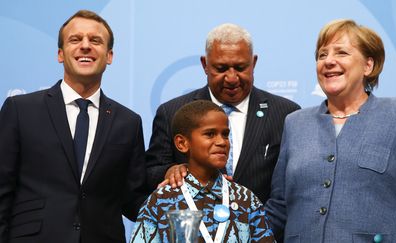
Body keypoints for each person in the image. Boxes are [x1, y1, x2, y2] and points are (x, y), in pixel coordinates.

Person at [265, 19, 396, 242]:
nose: (328, 61)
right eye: (322, 55)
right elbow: (279, 206)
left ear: (368, 66)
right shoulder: (295, 123)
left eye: (341, 53)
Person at [0, 10, 147, 243]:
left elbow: (135, 198)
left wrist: (188, 189)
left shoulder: (128, 122)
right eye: (75, 39)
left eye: (95, 40)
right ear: (60, 54)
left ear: (109, 56)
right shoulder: (20, 109)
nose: (86, 46)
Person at [145, 23, 300, 203]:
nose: (232, 78)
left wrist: (256, 228)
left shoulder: (286, 114)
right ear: (205, 64)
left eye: (241, 68)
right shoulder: (172, 112)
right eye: (221, 68)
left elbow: (291, 189)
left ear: (254, 63)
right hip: (193, 228)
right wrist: (170, 170)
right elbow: (150, 172)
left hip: (263, 228)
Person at [131, 100, 275, 242]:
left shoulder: (245, 199)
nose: (221, 142)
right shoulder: (161, 201)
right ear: (182, 143)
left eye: (225, 134)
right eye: (210, 134)